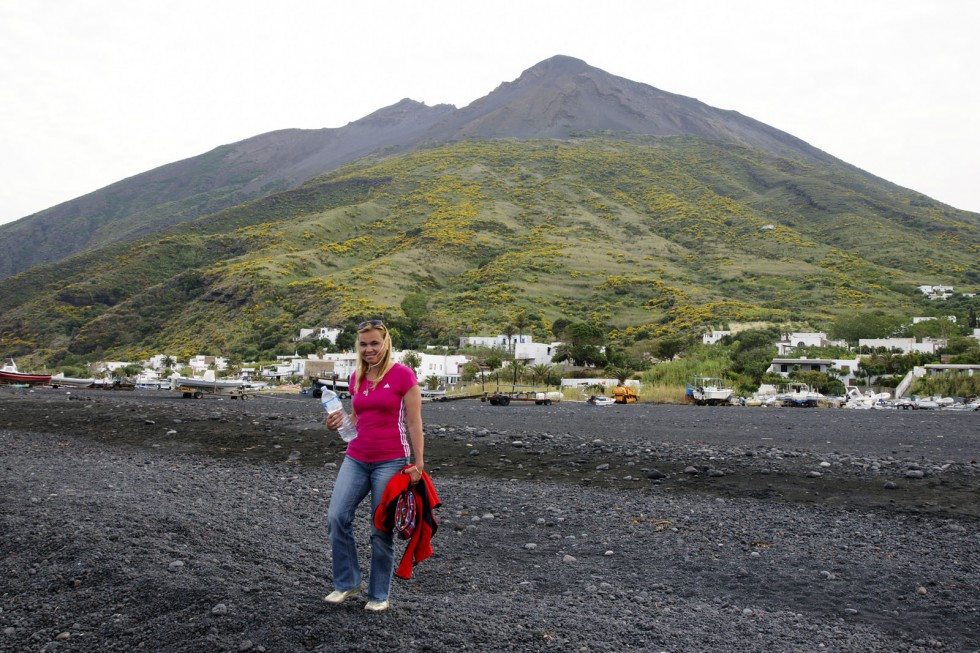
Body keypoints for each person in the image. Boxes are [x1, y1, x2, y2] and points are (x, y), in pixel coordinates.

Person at [324, 319, 425, 613]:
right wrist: (335, 423)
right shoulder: (356, 377)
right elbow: (356, 419)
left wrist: (418, 464)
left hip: (391, 461)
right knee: (336, 517)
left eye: (374, 343)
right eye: (364, 344)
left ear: (386, 343)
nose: (369, 349)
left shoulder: (404, 376)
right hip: (356, 456)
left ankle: (378, 594)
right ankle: (347, 583)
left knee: (381, 528)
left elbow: (414, 423)